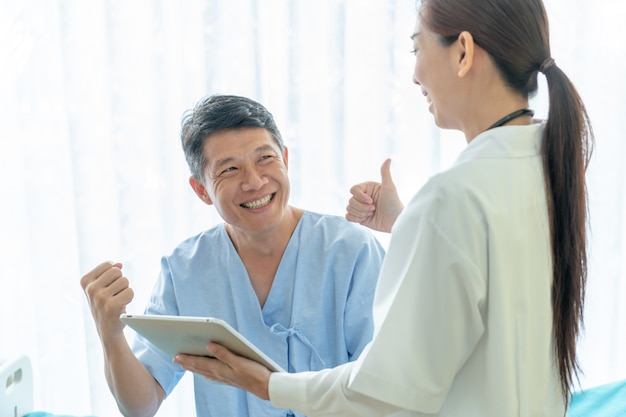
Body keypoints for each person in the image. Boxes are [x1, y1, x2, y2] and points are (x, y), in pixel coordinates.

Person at [172, 0, 594, 416]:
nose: (415, 74)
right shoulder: (544, 168)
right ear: (201, 188)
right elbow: (496, 277)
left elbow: (389, 390)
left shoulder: (451, 198)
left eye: (417, 48)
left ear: (463, 52)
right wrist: (409, 223)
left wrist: (267, 384)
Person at [80, 94, 385, 417]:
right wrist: (110, 334)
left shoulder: (351, 252)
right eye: (230, 169)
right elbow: (140, 407)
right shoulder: (186, 270)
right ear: (201, 190)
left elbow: (385, 389)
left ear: (284, 158)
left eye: (265, 158)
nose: (254, 181)